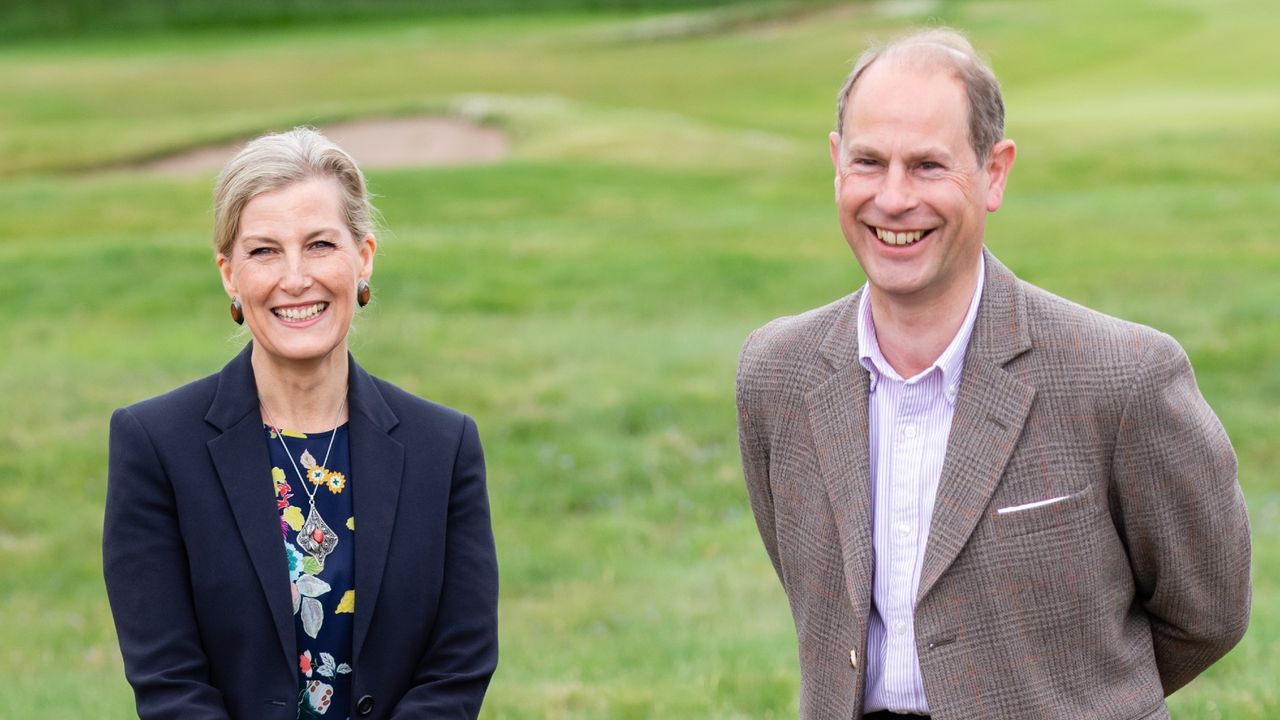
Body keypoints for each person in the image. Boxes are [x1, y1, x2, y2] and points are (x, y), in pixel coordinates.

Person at [735, 28, 1250, 720]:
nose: (892, 198)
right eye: (868, 161)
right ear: (835, 164)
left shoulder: (1123, 380)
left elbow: (1208, 613)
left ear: (995, 172)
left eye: (927, 166)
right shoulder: (777, 376)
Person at [104, 127, 498, 720]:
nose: (295, 279)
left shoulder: (444, 447)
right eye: (264, 250)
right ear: (229, 274)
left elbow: (458, 667)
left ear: (362, 258)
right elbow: (168, 683)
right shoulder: (155, 446)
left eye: (319, 244)